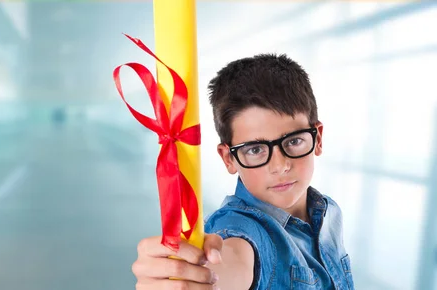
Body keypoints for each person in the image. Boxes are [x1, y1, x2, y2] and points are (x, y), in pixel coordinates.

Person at [132, 54, 355, 289]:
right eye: (255, 149)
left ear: (317, 139)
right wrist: (192, 277)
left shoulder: (329, 211)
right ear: (229, 158)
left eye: (293, 141)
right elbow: (229, 261)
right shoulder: (238, 229)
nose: (280, 165)